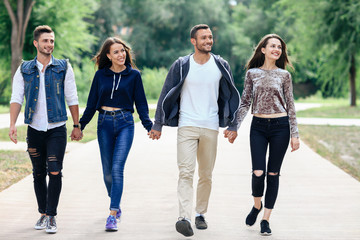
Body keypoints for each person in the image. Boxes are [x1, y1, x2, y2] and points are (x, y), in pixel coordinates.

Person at [149, 24, 240, 237]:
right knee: (186, 172)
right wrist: (158, 123)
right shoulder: (182, 64)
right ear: (193, 41)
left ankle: (200, 213)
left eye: (210, 37)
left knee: (206, 175)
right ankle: (184, 217)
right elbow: (165, 92)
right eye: (204, 38)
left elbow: (232, 95)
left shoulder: (221, 64)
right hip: (187, 125)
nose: (208, 41)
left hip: (210, 126)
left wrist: (233, 124)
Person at [8, 25, 81, 234]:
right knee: (38, 173)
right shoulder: (24, 69)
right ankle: (42, 213)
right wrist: (12, 124)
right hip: (34, 129)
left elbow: (72, 97)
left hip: (57, 128)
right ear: (36, 43)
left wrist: (76, 126)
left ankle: (51, 216)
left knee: (55, 170)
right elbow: (16, 98)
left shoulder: (63, 67)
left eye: (52, 41)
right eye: (45, 41)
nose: (49, 44)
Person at [227, 33, 300, 235]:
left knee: (273, 173)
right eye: (273, 46)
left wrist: (295, 134)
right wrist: (234, 127)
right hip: (258, 127)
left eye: (280, 47)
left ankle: (265, 219)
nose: (277, 49)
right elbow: (244, 103)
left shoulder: (285, 76)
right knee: (258, 172)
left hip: (280, 127)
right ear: (263, 49)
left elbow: (291, 106)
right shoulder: (252, 73)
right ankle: (256, 205)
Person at [79, 37, 153, 231]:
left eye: (123, 51)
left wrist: (149, 126)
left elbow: (142, 105)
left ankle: (112, 213)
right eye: (116, 52)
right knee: (107, 172)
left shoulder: (134, 75)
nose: (121, 54)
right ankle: (116, 203)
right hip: (104, 123)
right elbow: (91, 104)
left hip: (125, 124)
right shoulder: (100, 76)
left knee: (118, 167)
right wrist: (80, 125)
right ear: (108, 56)